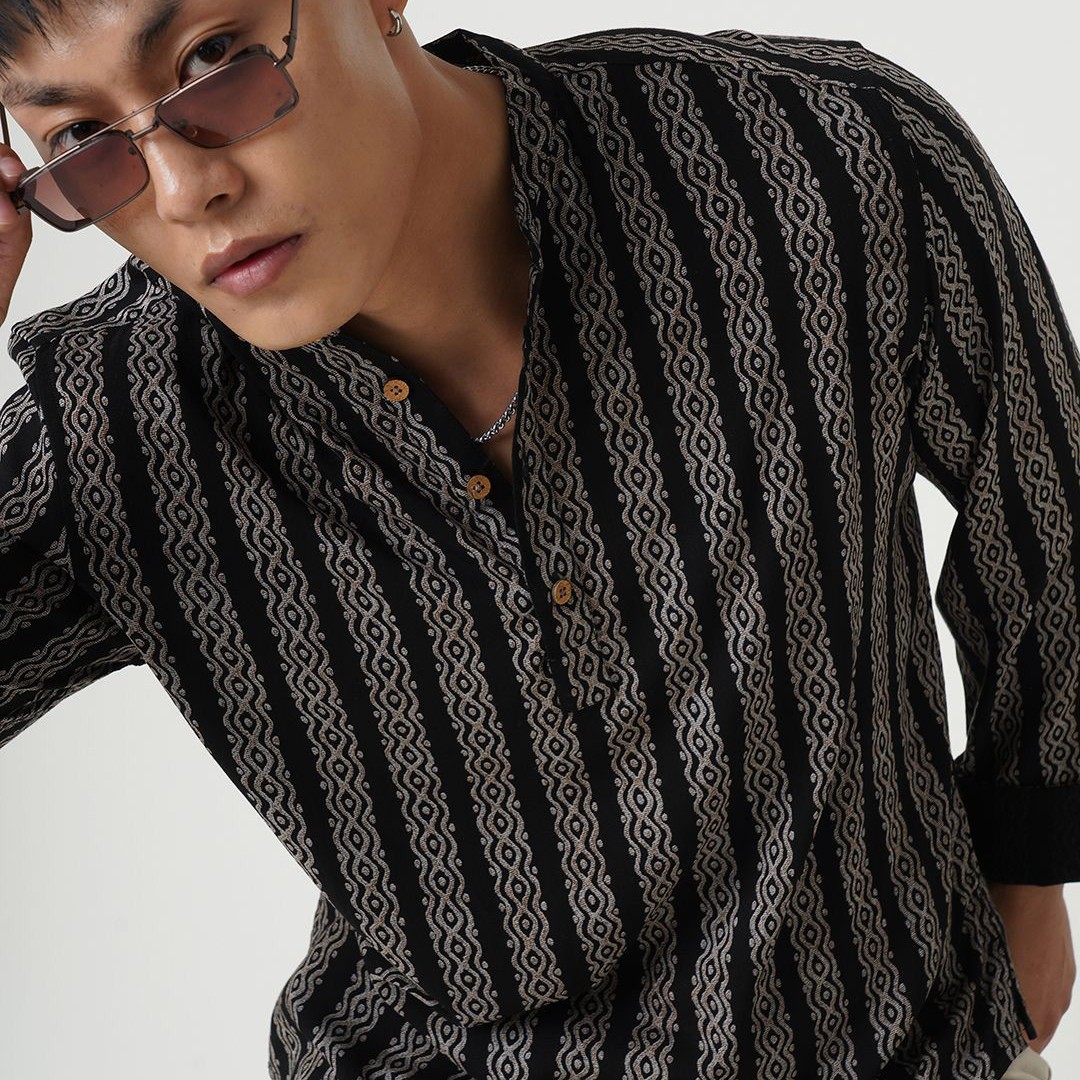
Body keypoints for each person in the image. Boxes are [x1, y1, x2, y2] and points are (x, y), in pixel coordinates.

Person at [0, 1, 1075, 1077]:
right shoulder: (113, 421)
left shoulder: (819, 152)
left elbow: (1042, 510)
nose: (182, 190)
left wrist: (1028, 867)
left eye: (214, 59)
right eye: (81, 140)